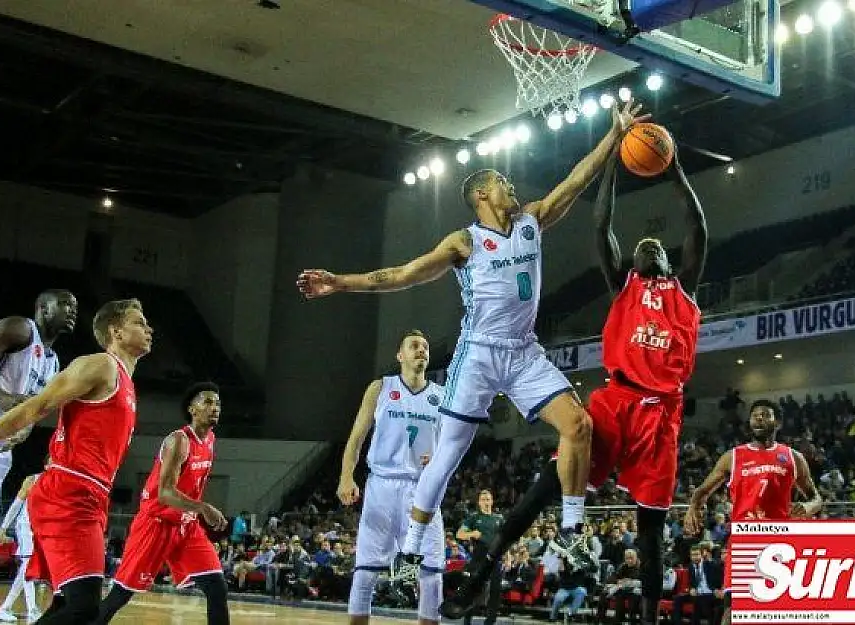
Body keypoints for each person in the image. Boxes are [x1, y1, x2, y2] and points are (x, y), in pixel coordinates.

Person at [299, 100, 650, 561]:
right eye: (502, 183)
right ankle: (410, 551)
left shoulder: (532, 220)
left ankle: (571, 529)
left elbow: (576, 180)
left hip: (524, 353)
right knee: (447, 455)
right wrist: (341, 282)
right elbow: (403, 274)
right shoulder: (463, 242)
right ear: (482, 195)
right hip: (478, 355)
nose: (510, 186)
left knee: (579, 424)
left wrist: (614, 135)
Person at [441, 148, 708, 624]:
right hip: (617, 399)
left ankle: (648, 618)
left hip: (661, 412)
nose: (650, 246)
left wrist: (676, 171)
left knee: (650, 531)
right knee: (545, 485)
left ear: (668, 260)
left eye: (658, 246)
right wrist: (611, 163)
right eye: (642, 245)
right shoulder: (623, 283)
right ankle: (477, 579)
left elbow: (697, 227)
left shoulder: (683, 289)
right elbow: (601, 222)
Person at [0, 298, 151, 624]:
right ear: (116, 331)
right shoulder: (100, 365)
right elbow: (37, 406)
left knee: (67, 604)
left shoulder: (125, 382)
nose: (149, 328)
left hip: (91, 495)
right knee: (84, 608)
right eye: (139, 322)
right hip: (68, 492)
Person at [0, 289, 77, 605]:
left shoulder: (53, 362)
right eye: (64, 303)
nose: (72, 309)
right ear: (42, 307)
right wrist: (0, 397)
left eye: (75, 306)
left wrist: (23, 431)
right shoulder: (20, 329)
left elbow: (30, 412)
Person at [93, 382, 229, 624]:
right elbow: (165, 493)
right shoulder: (179, 441)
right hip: (156, 523)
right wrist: (204, 507)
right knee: (121, 595)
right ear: (192, 409)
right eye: (207, 402)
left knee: (217, 587)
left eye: (217, 403)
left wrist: (196, 511)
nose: (215, 407)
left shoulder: (210, 440)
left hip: (185, 526)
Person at [683, 400, 824, 625]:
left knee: (781, 610)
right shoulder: (733, 456)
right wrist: (693, 508)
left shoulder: (792, 457)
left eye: (765, 415)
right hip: (744, 540)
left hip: (780, 540)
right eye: (755, 415)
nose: (759, 418)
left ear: (776, 422)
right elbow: (702, 491)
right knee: (734, 607)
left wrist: (808, 507)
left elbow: (817, 499)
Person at [338, 330, 445, 625]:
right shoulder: (380, 387)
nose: (421, 350)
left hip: (424, 489)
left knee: (432, 575)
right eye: (414, 346)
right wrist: (346, 476)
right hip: (382, 486)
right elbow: (356, 437)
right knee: (366, 571)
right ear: (400, 355)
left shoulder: (442, 396)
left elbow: (454, 446)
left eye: (425, 347)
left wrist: (439, 458)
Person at [0, 470, 43, 623]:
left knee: (25, 570)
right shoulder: (33, 479)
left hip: (40, 529)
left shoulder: (60, 482)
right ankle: (32, 610)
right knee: (28, 566)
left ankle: (5, 607)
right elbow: (16, 505)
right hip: (25, 526)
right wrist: (2, 529)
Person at [455, 490, 504, 625]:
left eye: (488, 499)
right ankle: (467, 621)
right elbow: (459, 534)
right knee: (472, 591)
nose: (486, 502)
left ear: (492, 501)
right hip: (478, 559)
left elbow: (505, 537)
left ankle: (490, 622)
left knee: (495, 591)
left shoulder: (499, 518)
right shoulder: (474, 518)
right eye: (483, 500)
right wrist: (472, 534)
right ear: (479, 502)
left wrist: (509, 554)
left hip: (495, 559)